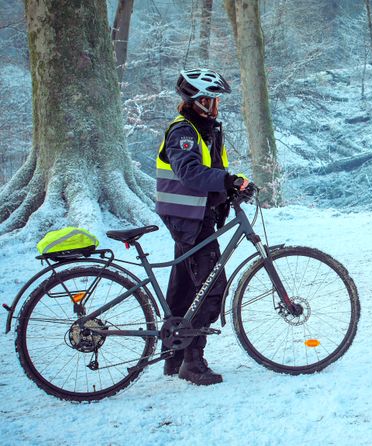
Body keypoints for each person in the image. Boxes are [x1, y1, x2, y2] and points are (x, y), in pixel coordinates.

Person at [155, 68, 251, 385]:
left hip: (196, 217)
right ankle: (192, 363)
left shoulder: (205, 128)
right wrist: (227, 180)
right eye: (213, 98)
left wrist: (232, 187)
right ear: (199, 101)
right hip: (188, 219)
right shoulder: (183, 132)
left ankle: (175, 355)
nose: (217, 104)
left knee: (185, 287)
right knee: (210, 288)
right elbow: (192, 173)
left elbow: (213, 170)